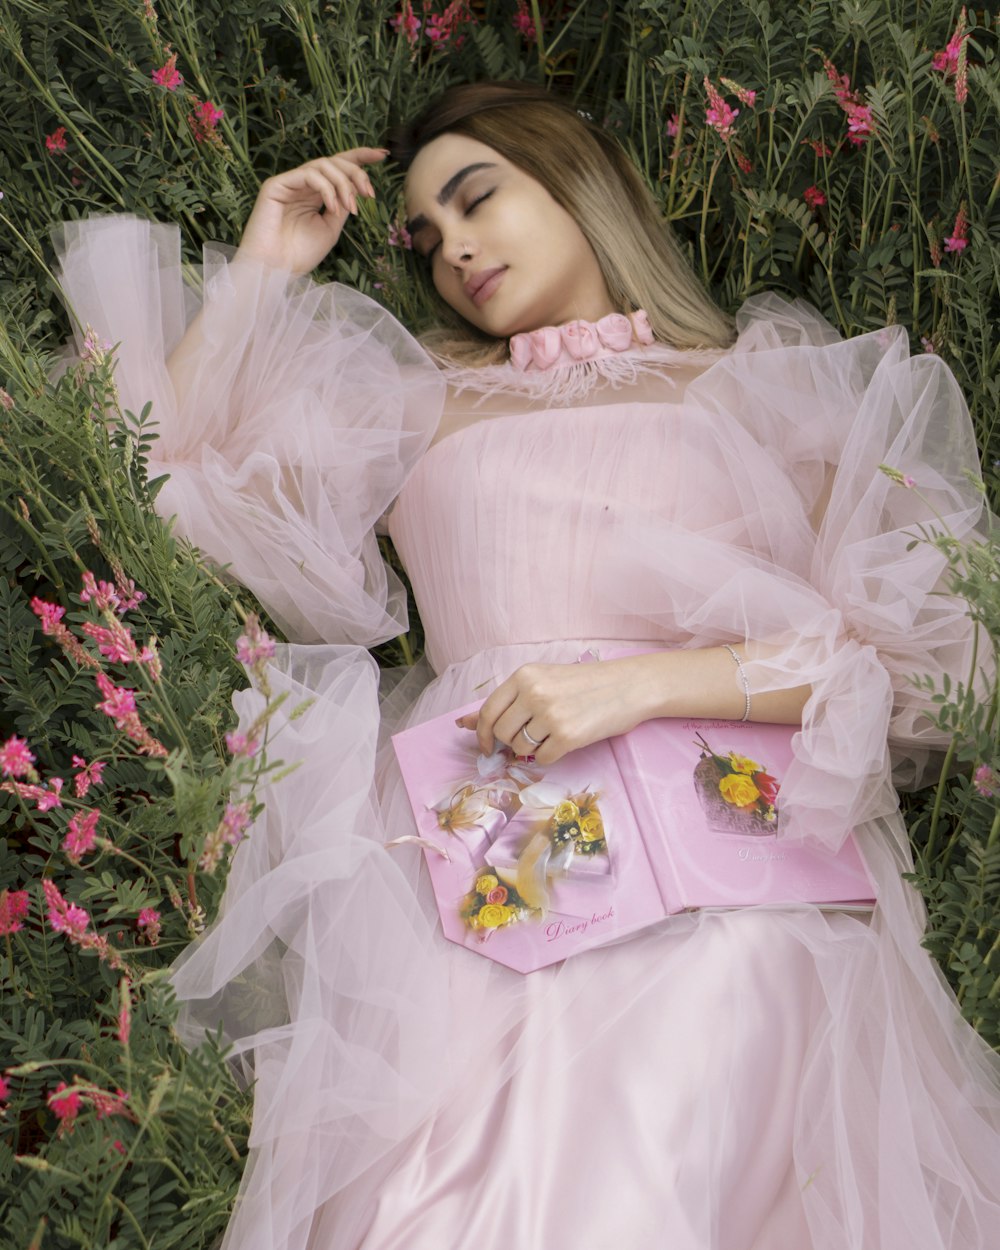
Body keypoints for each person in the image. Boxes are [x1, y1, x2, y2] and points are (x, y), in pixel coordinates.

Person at [53, 80, 1000, 1250]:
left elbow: (912, 657)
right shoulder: (413, 401)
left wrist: (639, 685)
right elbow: (146, 474)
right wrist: (264, 264)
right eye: (424, 235)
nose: (452, 246)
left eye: (475, 198)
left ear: (576, 181)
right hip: (487, 871)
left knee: (710, 1127)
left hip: (740, 886)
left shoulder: (765, 386)